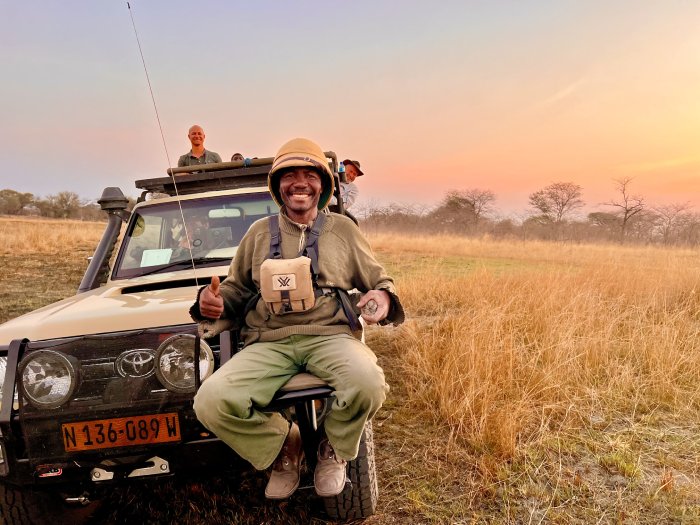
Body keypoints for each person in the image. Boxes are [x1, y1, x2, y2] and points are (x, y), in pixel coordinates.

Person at [190, 137, 404, 500]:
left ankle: (332, 446)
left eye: (310, 174)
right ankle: (284, 446)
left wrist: (381, 299)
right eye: (289, 175)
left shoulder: (343, 230)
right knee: (209, 402)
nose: (300, 182)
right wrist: (212, 302)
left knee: (368, 384)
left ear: (324, 185)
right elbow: (236, 290)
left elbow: (379, 282)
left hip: (330, 336)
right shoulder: (258, 233)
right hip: (269, 342)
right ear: (277, 187)